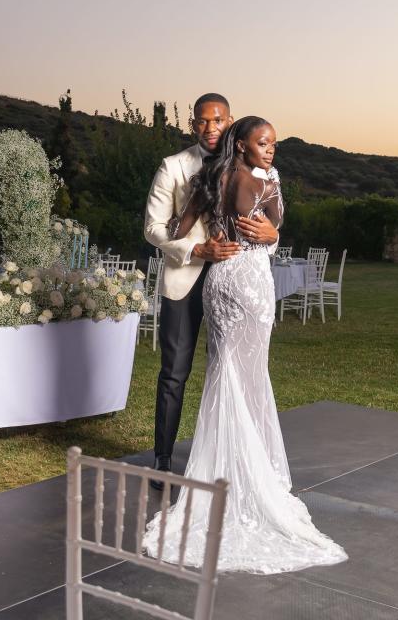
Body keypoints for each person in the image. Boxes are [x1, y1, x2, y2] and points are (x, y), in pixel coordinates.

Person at [142, 116, 347, 574]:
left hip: (222, 278)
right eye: (264, 143)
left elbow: (180, 225)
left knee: (228, 373)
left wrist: (203, 234)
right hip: (248, 279)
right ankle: (249, 475)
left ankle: (227, 469)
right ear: (244, 144)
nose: (271, 150)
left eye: (273, 144)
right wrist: (268, 205)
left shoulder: (211, 176)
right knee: (248, 376)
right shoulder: (255, 179)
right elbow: (272, 222)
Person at [144, 94, 278, 485]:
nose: (210, 127)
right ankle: (163, 459)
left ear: (230, 121)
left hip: (232, 281)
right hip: (187, 278)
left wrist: (274, 235)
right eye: (202, 121)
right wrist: (195, 248)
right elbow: (153, 228)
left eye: (218, 120)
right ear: (193, 125)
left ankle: (234, 461)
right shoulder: (173, 167)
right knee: (176, 371)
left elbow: (266, 222)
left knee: (234, 371)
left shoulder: (255, 161)